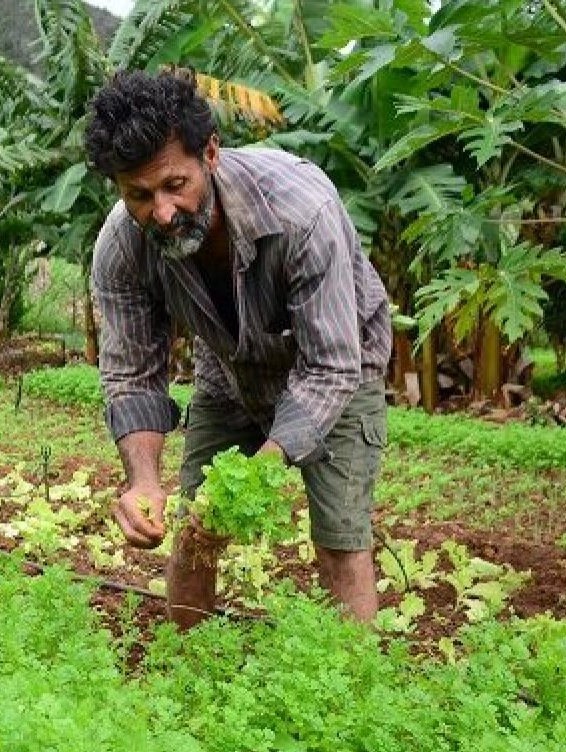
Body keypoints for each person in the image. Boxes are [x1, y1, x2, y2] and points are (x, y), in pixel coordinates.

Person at [85, 69, 393, 627]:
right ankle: (186, 666)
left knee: (339, 539)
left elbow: (328, 368)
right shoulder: (121, 247)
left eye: (175, 185)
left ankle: (356, 690)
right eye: (139, 194)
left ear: (210, 153)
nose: (161, 213)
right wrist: (144, 482)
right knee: (194, 530)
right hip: (227, 367)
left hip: (338, 370)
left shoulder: (302, 211)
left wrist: (252, 481)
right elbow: (131, 375)